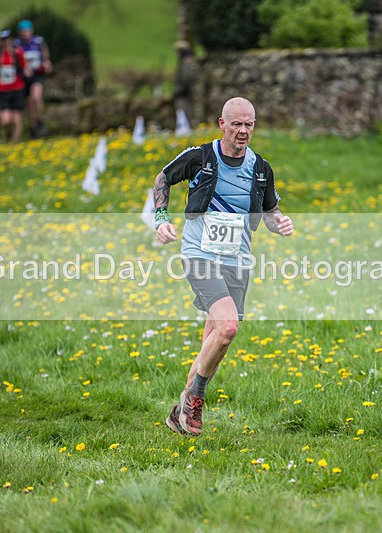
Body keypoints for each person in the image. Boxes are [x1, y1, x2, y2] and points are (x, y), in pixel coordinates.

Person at [153, 97, 294, 436]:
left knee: (216, 340)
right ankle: (196, 400)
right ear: (222, 124)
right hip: (200, 255)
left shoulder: (261, 168)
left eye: (249, 125)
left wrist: (280, 223)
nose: (243, 131)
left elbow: (268, 213)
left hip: (237, 261)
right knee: (228, 327)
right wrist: (161, 219)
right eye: (237, 124)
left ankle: (180, 412)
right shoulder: (201, 157)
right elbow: (162, 179)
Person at [0, 29, 31, 143]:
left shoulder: (17, 52)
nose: (5, 42)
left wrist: (28, 74)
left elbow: (25, 66)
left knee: (16, 119)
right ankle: (8, 134)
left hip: (17, 88)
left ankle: (14, 144)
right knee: (5, 120)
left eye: (7, 40)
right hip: (2, 90)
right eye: (3, 40)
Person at [15, 19, 52, 139]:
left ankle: (40, 120)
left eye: (28, 31)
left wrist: (46, 62)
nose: (26, 33)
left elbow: (45, 53)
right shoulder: (16, 44)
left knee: (36, 97)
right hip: (23, 77)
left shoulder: (38, 42)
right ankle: (33, 128)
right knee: (29, 103)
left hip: (36, 75)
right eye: (23, 31)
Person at [172, 40, 195, 126]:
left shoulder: (186, 62)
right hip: (185, 93)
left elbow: (185, 79)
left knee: (184, 116)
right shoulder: (187, 60)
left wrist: (177, 92)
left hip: (185, 95)